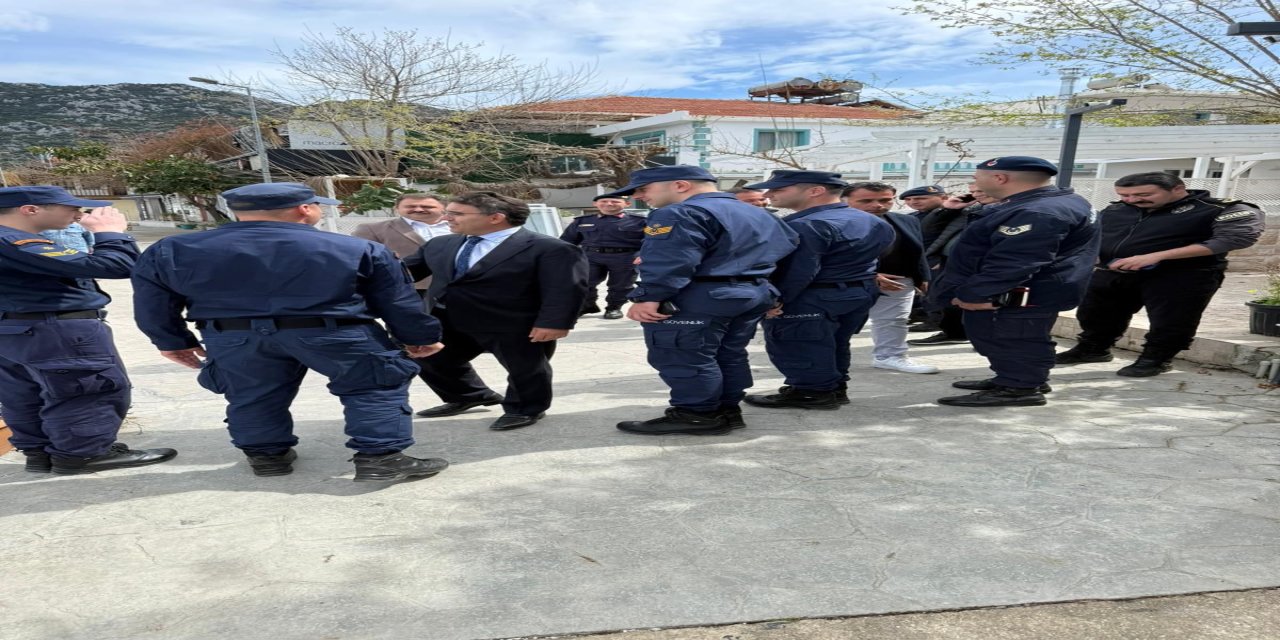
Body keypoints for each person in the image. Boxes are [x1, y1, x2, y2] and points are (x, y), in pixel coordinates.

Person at [131, 182, 448, 483]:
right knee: (373, 387)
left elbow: (153, 301)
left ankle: (267, 457)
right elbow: (395, 301)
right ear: (305, 209)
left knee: (251, 394)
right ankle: (382, 459)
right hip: (337, 333)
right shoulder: (356, 248)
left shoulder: (172, 248)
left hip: (234, 336)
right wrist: (418, 336)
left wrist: (172, 341)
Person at [607, 166, 798, 435]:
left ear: (681, 185)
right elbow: (787, 250)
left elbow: (670, 259)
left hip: (701, 295)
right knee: (727, 354)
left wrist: (649, 296)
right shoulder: (759, 213)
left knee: (684, 355)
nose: (640, 196)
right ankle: (726, 409)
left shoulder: (679, 212)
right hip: (750, 293)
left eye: (644, 189)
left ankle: (697, 414)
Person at [0, 186, 176, 475]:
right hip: (54, 328)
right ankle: (84, 453)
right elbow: (116, 264)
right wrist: (111, 232)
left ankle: (41, 452)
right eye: (69, 207)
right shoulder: (16, 241)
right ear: (30, 210)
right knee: (88, 389)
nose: (79, 213)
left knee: (24, 392)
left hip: (15, 329)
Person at [403, 191, 588, 431]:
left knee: (525, 368)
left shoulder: (550, 248)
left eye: (456, 213)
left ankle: (525, 408)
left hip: (513, 322)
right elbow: (403, 273)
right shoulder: (440, 244)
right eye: (448, 212)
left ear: (495, 217)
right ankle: (469, 395)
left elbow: (565, 289)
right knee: (425, 356)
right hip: (445, 317)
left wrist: (555, 322)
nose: (446, 217)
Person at [1056, 172, 1264, 376]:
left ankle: (1156, 360)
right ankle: (1093, 349)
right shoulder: (1117, 209)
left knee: (1171, 321)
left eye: (1143, 195)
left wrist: (1156, 256)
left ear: (1178, 189)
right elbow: (1090, 232)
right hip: (1114, 271)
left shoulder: (1220, 209)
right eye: (1125, 195)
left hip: (1181, 275)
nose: (1132, 200)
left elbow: (1235, 239)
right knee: (1095, 313)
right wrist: (1091, 253)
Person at [932, 157, 1100, 407]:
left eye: (977, 177)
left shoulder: (1037, 211)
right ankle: (1018, 378)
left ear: (1000, 178)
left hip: (1017, 292)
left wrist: (976, 294)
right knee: (1017, 337)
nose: (974, 182)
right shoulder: (1056, 201)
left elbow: (1014, 261)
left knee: (1011, 338)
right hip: (1035, 289)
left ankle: (1019, 388)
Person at [742, 171, 894, 410]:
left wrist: (773, 300)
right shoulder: (871, 220)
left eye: (778, 189)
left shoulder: (808, 224)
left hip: (811, 295)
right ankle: (834, 388)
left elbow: (798, 271)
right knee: (834, 342)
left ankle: (812, 392)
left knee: (800, 343)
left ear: (815, 191)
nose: (769, 194)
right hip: (856, 292)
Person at [841, 182, 939, 374]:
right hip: (847, 281)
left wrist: (922, 277)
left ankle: (890, 356)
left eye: (885, 200)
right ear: (845, 200)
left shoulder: (906, 220)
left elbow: (917, 250)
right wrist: (869, 274)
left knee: (894, 321)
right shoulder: (831, 222)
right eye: (866, 200)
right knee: (839, 324)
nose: (878, 205)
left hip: (898, 280)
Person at [910, 184, 995, 345]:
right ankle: (954, 333)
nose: (977, 195)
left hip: (981, 265)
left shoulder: (1012, 211)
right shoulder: (969, 210)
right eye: (974, 192)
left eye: (981, 190)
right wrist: (947, 209)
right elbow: (928, 231)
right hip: (950, 261)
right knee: (946, 298)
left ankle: (983, 338)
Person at [560, 194, 647, 319]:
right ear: (595, 204)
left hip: (625, 257)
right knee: (582, 282)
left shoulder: (640, 221)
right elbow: (567, 241)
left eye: (614, 201)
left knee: (621, 285)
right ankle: (588, 305)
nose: (609, 204)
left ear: (627, 204)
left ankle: (614, 308)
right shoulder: (583, 221)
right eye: (604, 201)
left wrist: (643, 255)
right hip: (591, 257)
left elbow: (651, 241)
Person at [352, 192, 452, 293]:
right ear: (397, 208)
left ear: (444, 208)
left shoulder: (461, 228)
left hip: (458, 287)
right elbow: (361, 259)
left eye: (427, 206)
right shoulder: (373, 229)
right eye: (410, 206)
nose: (418, 209)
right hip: (406, 288)